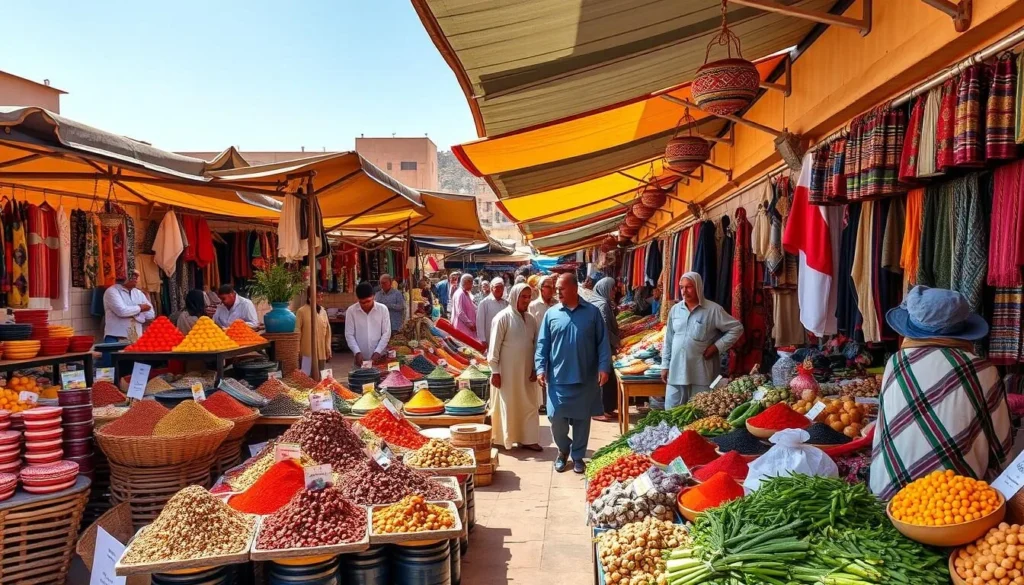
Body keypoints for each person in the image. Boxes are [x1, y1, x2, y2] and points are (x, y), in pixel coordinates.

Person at [870, 286, 1012, 501]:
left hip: (890, 493)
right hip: (955, 500)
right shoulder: (983, 370)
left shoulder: (895, 363)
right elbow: (1001, 443)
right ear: (962, 331)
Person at [535, 273, 611, 474]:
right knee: (555, 418)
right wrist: (540, 368)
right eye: (556, 288)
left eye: (562, 288)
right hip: (558, 378)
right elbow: (542, 344)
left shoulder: (593, 313)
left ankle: (577, 457)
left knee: (581, 421)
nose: (557, 291)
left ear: (574, 289)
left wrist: (604, 367)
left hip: (585, 377)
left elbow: (602, 343)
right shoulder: (551, 314)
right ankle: (562, 450)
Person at [661, 272, 743, 409]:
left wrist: (716, 347)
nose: (684, 291)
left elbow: (737, 328)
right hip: (676, 370)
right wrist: (665, 365)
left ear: (698, 287)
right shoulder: (675, 310)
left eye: (689, 287)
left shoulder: (713, 310)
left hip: (701, 373)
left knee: (698, 411)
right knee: (671, 411)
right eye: (682, 287)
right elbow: (668, 339)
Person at [488, 283, 542, 451]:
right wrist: (495, 371)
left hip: (527, 372)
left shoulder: (531, 319)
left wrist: (535, 368)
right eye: (523, 297)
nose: (526, 300)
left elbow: (535, 346)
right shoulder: (502, 317)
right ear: (514, 297)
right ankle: (507, 438)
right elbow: (494, 348)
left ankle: (529, 439)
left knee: (529, 404)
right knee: (509, 404)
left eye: (528, 297)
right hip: (507, 373)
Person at [586, 277, 620, 422]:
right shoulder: (602, 304)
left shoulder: (597, 301)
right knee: (602, 377)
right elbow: (604, 328)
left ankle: (606, 408)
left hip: (598, 345)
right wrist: (618, 342)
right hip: (601, 346)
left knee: (606, 377)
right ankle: (598, 411)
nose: (615, 291)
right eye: (613, 288)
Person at [344, 282, 391, 366]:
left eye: (368, 301)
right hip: (360, 359)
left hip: (380, 357)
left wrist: (378, 352)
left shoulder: (383, 309)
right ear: (358, 299)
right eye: (362, 302)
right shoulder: (351, 311)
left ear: (374, 296)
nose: (365, 304)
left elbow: (386, 333)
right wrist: (357, 352)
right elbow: (349, 334)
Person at [102, 269, 155, 343]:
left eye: (137, 275)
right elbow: (122, 311)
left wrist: (132, 311)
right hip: (116, 338)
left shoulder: (139, 293)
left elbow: (150, 315)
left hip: (135, 338)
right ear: (122, 276)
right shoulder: (112, 291)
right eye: (132, 275)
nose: (135, 277)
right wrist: (140, 308)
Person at [297, 287, 332, 372]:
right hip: (306, 354)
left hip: (321, 353)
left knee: (320, 378)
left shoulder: (323, 311)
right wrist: (297, 351)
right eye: (317, 297)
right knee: (306, 377)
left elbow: (327, 332)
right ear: (310, 296)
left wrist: (328, 349)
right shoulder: (301, 311)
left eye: (321, 296)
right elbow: (297, 332)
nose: (320, 299)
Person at [476, 277, 508, 346]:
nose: (499, 289)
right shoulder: (484, 303)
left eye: (501, 287)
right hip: (489, 338)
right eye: (496, 287)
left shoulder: (506, 303)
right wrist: (482, 339)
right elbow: (480, 322)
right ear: (491, 288)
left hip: (504, 338)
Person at [450, 273, 478, 339]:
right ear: (466, 282)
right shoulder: (460, 294)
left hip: (467, 328)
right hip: (463, 328)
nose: (472, 286)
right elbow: (460, 312)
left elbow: (472, 306)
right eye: (471, 283)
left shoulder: (465, 293)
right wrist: (470, 324)